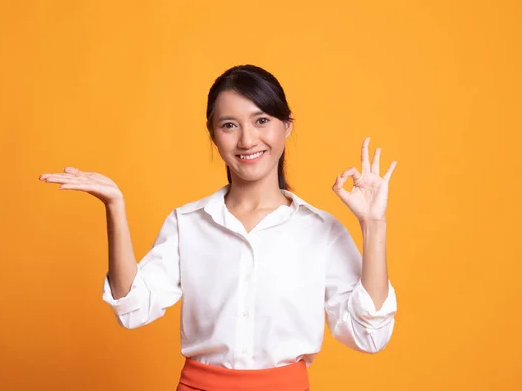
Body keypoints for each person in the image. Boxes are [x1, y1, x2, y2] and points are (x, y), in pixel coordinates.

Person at [39, 64, 398, 391]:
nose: (246, 140)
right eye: (229, 125)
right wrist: (115, 207)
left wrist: (374, 225)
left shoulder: (321, 230)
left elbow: (369, 335)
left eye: (261, 121)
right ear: (213, 135)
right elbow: (134, 308)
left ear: (286, 126)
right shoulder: (188, 223)